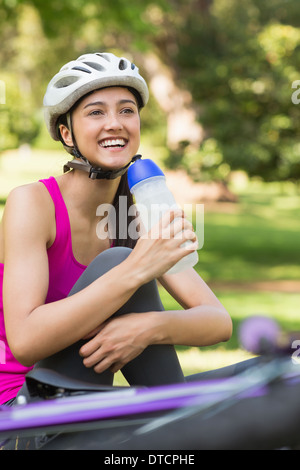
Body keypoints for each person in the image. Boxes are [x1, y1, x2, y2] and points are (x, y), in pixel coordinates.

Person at [0, 52, 232, 407]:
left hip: (81, 401)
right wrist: (136, 269)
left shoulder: (135, 217)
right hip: (20, 416)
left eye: (127, 110)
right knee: (119, 261)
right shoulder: (32, 203)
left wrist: (145, 329)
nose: (115, 123)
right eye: (96, 112)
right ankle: (177, 425)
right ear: (67, 132)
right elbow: (26, 341)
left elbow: (217, 321)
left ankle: (177, 426)